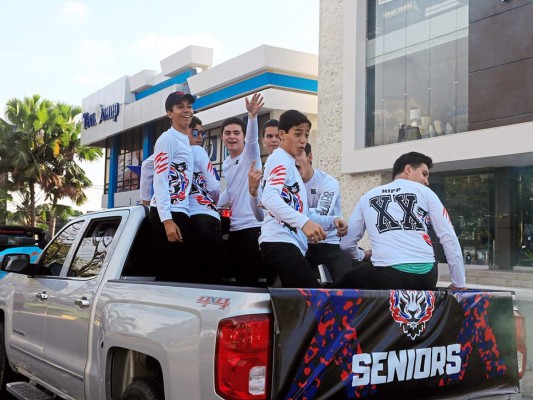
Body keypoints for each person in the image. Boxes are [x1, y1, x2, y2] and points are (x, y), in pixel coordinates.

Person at [338, 151, 467, 290]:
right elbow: (449, 237)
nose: (427, 182)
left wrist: (361, 255)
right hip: (427, 277)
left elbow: (346, 244)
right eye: (424, 174)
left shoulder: (368, 197)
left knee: (341, 285)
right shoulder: (427, 193)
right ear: (408, 169)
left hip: (387, 276)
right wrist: (459, 283)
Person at [259, 109, 347, 288]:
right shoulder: (280, 159)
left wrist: (333, 221)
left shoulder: (290, 165)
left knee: (297, 305)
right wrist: (304, 223)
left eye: (306, 134)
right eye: (297, 133)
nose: (303, 140)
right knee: (313, 297)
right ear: (282, 135)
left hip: (289, 244)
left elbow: (303, 214)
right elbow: (269, 198)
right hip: (280, 242)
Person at [217, 93, 265, 286]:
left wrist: (252, 117)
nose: (232, 137)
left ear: (243, 136)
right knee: (237, 282)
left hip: (253, 228)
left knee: (251, 283)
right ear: (222, 137)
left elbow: (253, 142)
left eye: (236, 133)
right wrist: (210, 205)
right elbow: (230, 192)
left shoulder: (250, 155)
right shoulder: (227, 163)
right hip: (235, 230)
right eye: (227, 133)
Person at [294, 143, 358, 282]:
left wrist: (295, 211)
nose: (294, 162)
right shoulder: (288, 184)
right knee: (289, 282)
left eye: (298, 156)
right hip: (302, 243)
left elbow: (320, 216)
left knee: (348, 285)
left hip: (331, 242)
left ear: (309, 156)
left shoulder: (328, 182)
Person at [149, 91, 195, 282]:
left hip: (181, 211)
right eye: (180, 107)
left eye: (189, 106)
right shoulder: (167, 139)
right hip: (169, 214)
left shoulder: (185, 141)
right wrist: (166, 220)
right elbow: (159, 178)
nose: (186, 110)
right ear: (170, 113)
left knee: (180, 276)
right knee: (172, 277)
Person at [187, 116, 223, 284]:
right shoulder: (199, 151)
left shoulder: (171, 151)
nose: (200, 137)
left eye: (202, 134)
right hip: (206, 217)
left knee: (193, 275)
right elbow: (214, 186)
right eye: (195, 132)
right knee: (211, 278)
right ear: (186, 130)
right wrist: (213, 202)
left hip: (184, 218)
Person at [248, 118, 280, 221]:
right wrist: (253, 193)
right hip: (269, 231)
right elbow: (260, 216)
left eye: (277, 136)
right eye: (270, 136)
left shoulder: (294, 165)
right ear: (263, 141)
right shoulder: (264, 171)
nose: (274, 140)